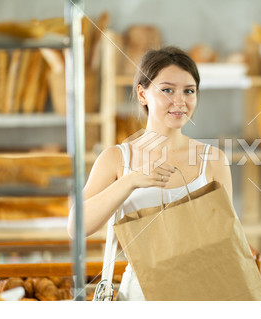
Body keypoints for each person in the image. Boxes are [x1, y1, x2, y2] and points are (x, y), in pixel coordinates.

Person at [67, 46, 232, 300]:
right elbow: (76, 227)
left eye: (189, 91)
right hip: (139, 296)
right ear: (142, 94)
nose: (180, 101)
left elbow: (226, 238)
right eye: (167, 90)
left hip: (200, 293)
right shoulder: (116, 159)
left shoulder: (213, 160)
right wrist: (130, 181)